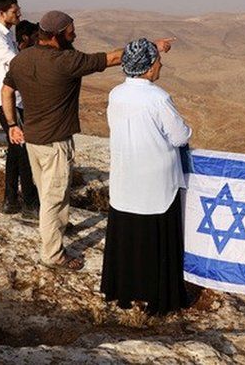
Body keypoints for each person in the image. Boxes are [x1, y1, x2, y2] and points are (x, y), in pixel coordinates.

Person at [1, 10, 175, 270]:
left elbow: (6, 90)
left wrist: (13, 125)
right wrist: (152, 46)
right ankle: (53, 254)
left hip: (33, 142)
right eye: (71, 31)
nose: (75, 34)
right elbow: (115, 57)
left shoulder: (22, 59)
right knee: (54, 199)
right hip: (56, 145)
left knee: (47, 195)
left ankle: (51, 237)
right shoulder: (67, 61)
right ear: (58, 36)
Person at [100, 38, 191, 315]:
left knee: (128, 238)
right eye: (157, 61)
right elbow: (180, 135)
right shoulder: (158, 98)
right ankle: (159, 298)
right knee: (157, 241)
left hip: (126, 178)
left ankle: (124, 292)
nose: (160, 64)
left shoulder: (115, 93)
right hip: (156, 182)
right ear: (149, 67)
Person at [0, 0, 39, 217]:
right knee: (23, 150)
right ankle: (30, 204)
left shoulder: (6, 36)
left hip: (16, 100)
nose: (19, 13)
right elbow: (16, 63)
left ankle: (10, 201)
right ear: (1, 12)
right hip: (8, 102)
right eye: (15, 10)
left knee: (15, 151)